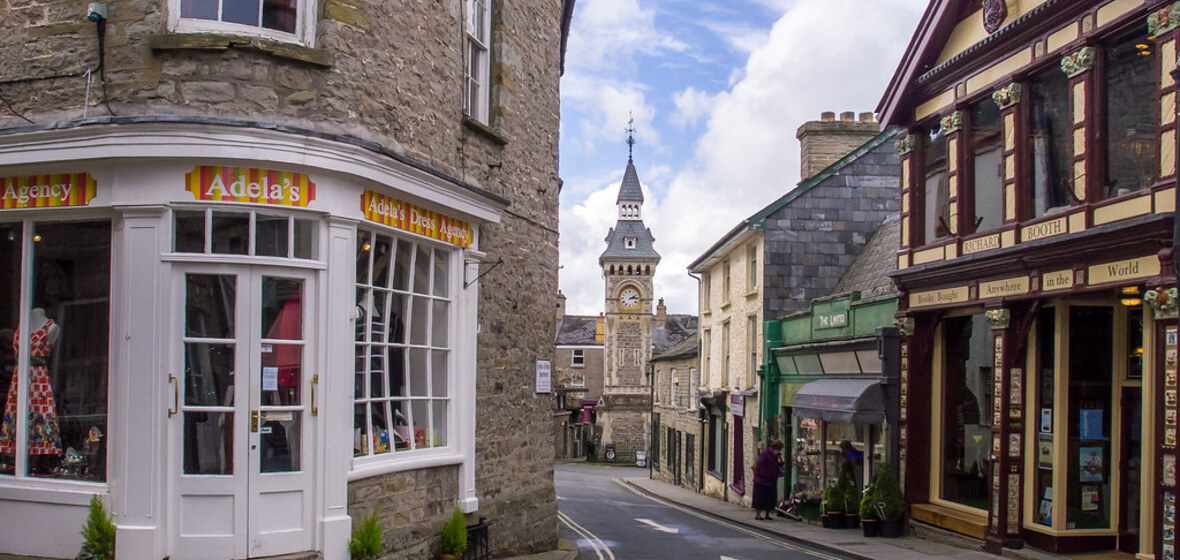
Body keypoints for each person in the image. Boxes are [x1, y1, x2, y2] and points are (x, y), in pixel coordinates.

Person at [752, 439, 785, 520]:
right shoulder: (765, 454)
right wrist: (765, 475)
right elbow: (760, 466)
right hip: (761, 480)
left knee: (770, 498)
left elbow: (778, 465)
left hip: (771, 480)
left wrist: (780, 462)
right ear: (776, 448)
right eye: (779, 449)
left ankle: (767, 514)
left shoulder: (776, 455)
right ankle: (758, 514)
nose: (780, 451)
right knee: (760, 498)